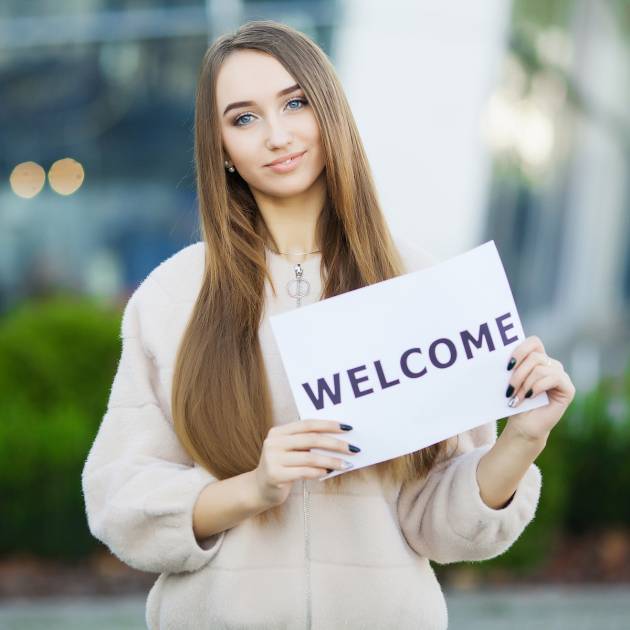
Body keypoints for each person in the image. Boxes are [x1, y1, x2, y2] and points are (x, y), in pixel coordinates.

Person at [81, 19, 576, 630]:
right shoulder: (173, 296)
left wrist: (522, 439)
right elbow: (120, 498)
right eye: (243, 118)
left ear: (330, 112)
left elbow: (445, 527)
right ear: (221, 151)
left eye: (295, 103)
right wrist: (253, 488)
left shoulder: (416, 283)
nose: (277, 135)